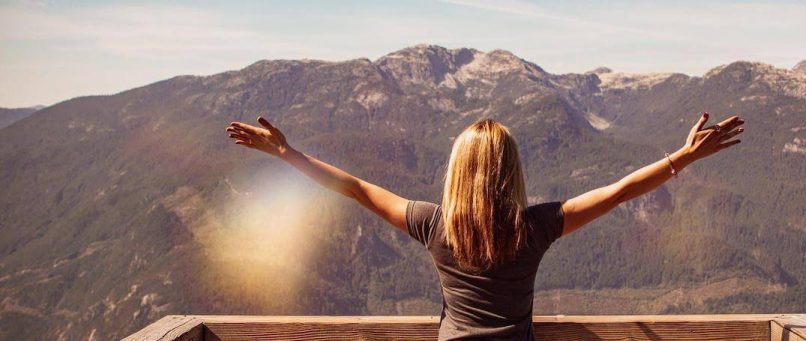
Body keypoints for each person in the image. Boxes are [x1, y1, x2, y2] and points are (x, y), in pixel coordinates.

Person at [225, 112, 744, 340]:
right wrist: (683, 157)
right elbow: (620, 191)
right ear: (512, 172)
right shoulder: (536, 228)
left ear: (457, 171)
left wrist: (288, 154)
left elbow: (356, 188)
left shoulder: (434, 226)